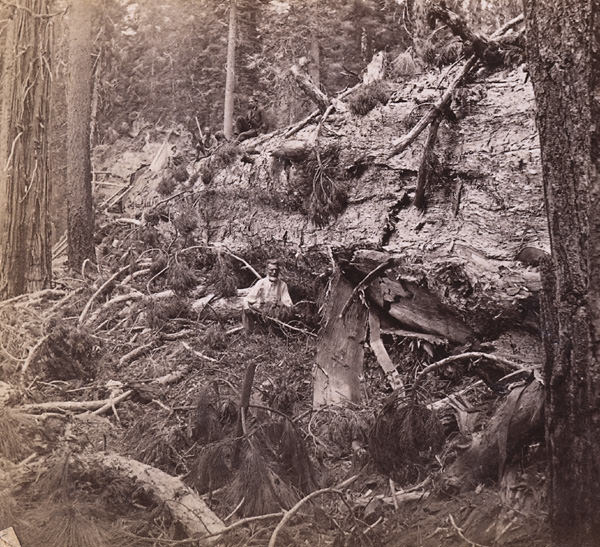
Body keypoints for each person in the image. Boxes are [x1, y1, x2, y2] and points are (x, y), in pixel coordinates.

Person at [242, 259, 293, 333]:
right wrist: (248, 307)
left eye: (276, 270)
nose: (274, 272)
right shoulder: (261, 283)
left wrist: (279, 303)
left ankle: (276, 332)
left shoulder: (282, 285)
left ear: (279, 270)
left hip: (275, 314)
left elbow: (289, 304)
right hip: (261, 312)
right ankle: (249, 332)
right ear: (267, 270)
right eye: (271, 270)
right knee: (245, 308)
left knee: (284, 312)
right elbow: (248, 299)